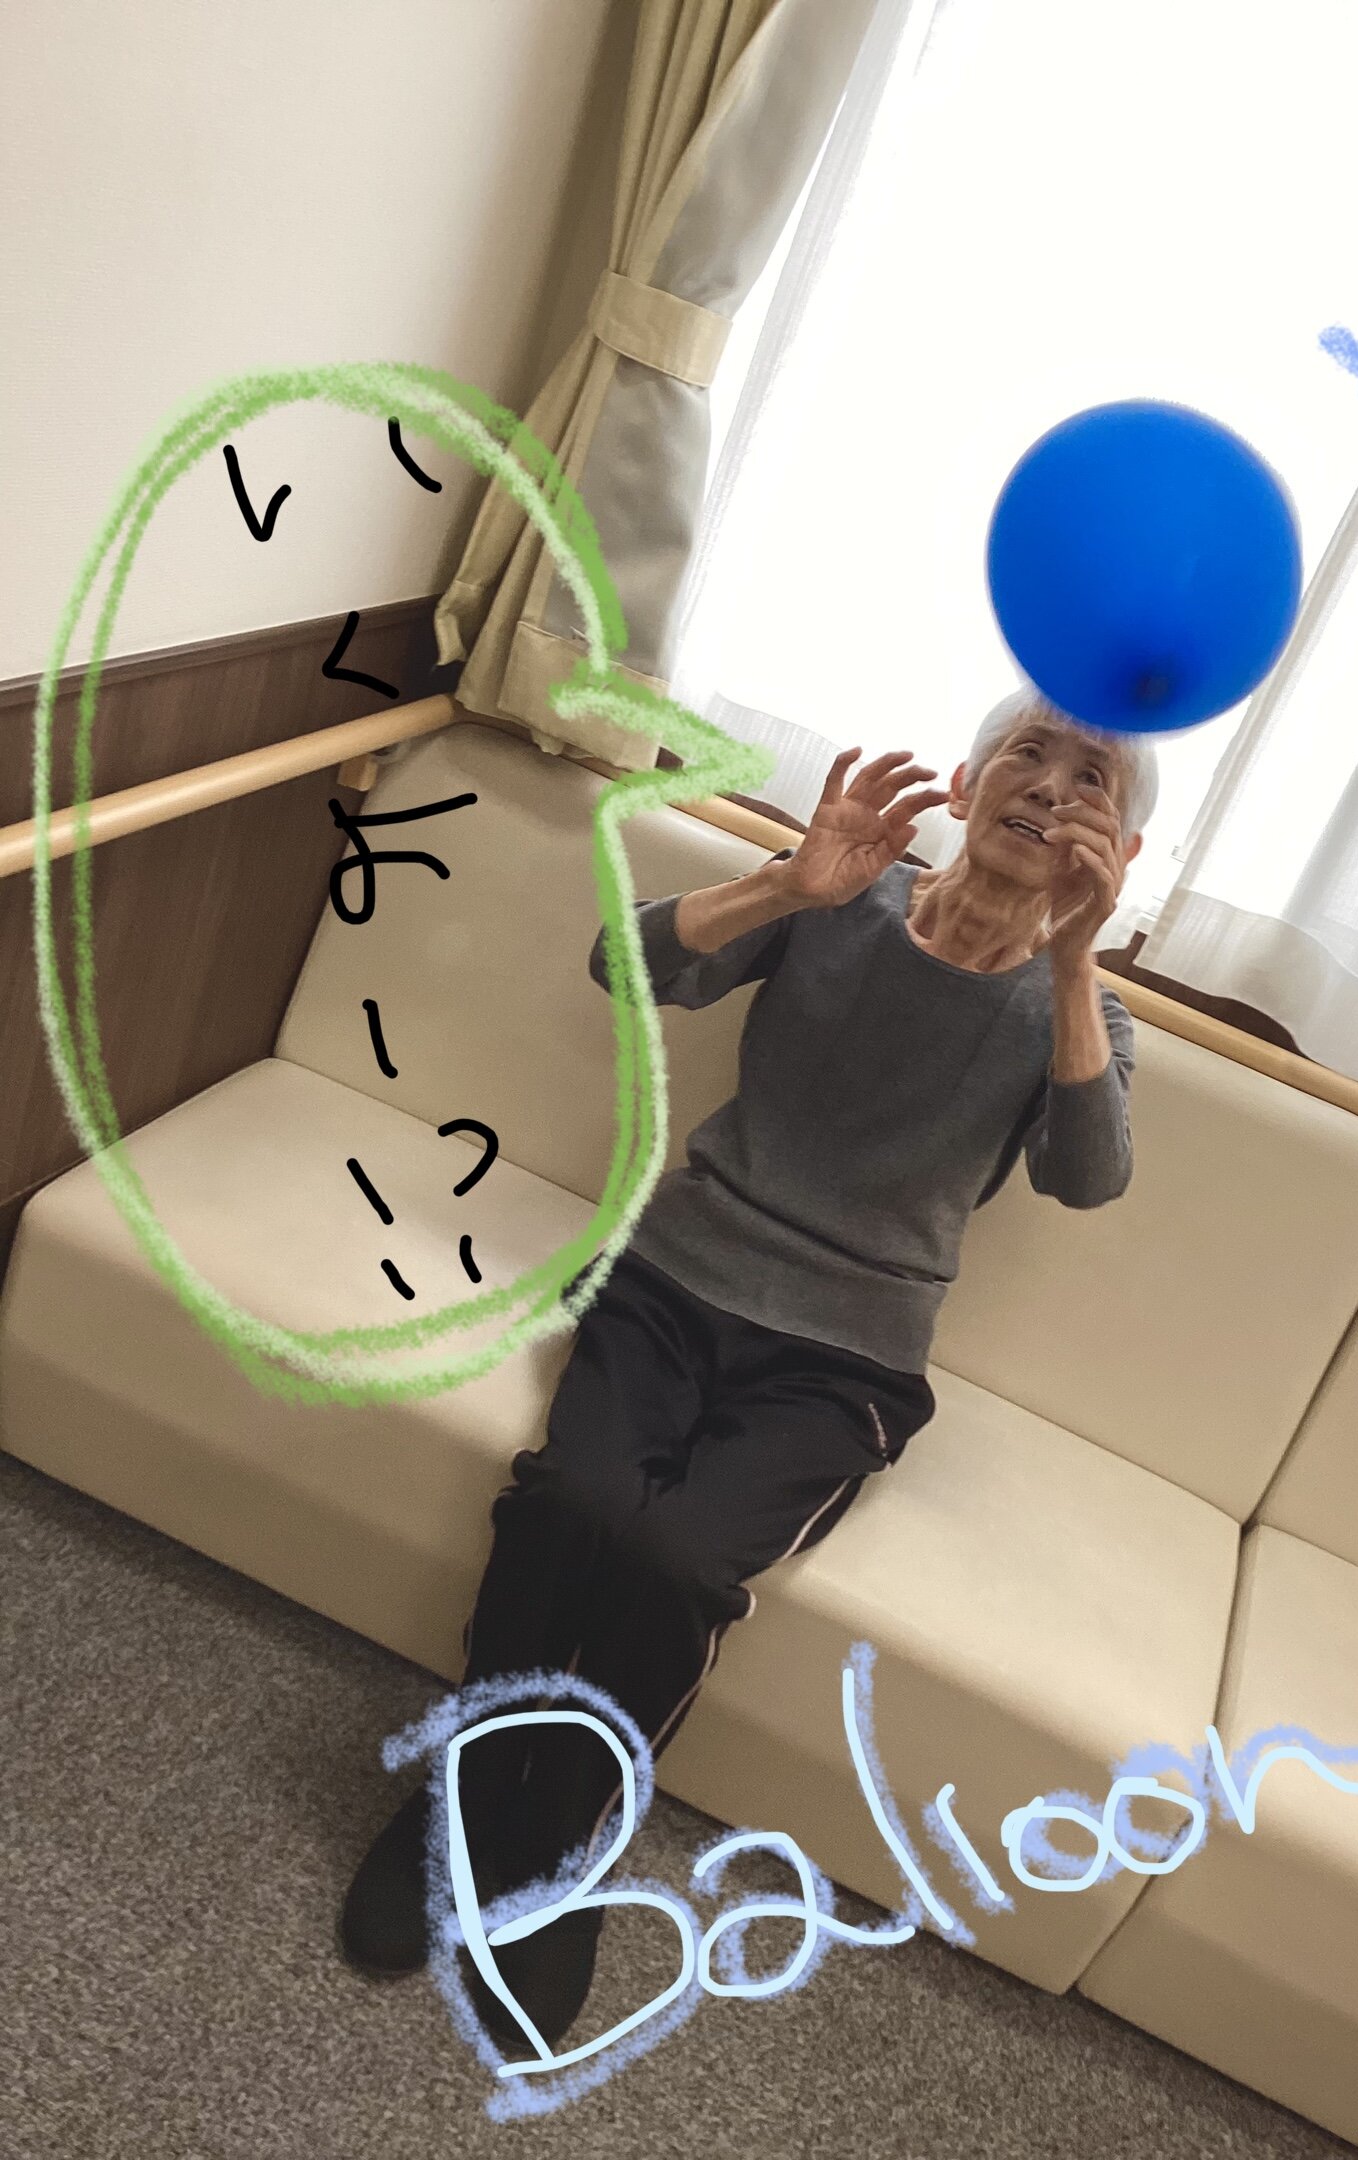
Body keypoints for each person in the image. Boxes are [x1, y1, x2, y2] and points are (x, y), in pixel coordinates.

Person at [339, 682, 1157, 2053]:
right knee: (575, 1502)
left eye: (1094, 784)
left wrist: (1075, 965)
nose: (1052, 788)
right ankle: (466, 1790)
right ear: (965, 788)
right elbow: (622, 963)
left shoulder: (1083, 1012)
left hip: (847, 1360)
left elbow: (1087, 1176)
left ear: (1120, 853)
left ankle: (562, 1837)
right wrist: (788, 881)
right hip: (674, 1278)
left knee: (677, 1559)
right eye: (1030, 754)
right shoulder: (842, 898)